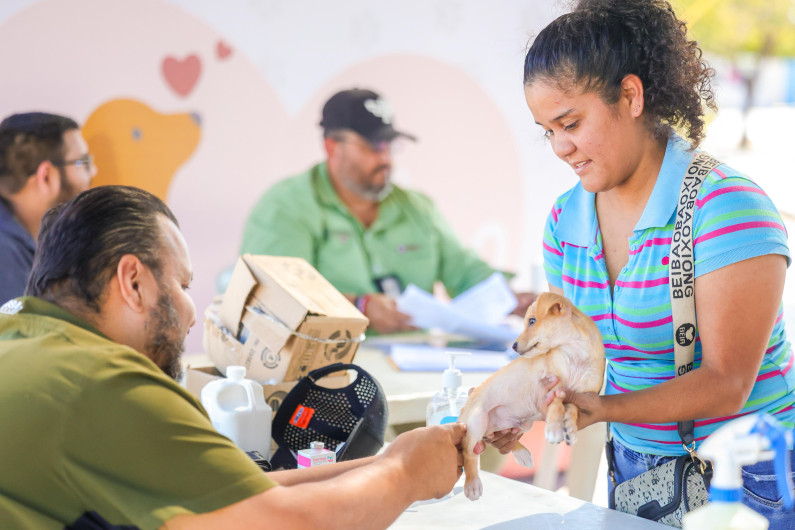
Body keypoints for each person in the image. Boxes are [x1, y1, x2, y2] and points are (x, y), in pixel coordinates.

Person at [0, 185, 468, 529]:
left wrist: (389, 458)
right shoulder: (102, 382)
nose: (190, 315)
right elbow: (279, 524)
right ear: (133, 281)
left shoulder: (28, 348)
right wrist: (405, 474)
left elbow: (235, 492)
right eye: (183, 286)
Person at [517, 0, 795, 527]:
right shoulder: (564, 224)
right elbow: (584, 356)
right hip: (635, 468)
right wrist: (528, 399)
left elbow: (726, 382)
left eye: (570, 122)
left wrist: (604, 410)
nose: (559, 146)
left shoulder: (727, 209)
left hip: (752, 479)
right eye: (546, 129)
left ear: (630, 95)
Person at [239, 88, 535, 334]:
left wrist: (509, 298)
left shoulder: (417, 208)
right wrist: (358, 307)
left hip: (415, 365)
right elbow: (269, 297)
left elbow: (463, 270)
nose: (385, 159)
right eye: (372, 145)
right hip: (324, 369)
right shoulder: (285, 207)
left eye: (389, 145)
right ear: (331, 147)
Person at [0, 112, 95, 304]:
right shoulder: (5, 257)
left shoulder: (19, 247)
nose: (93, 171)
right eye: (82, 162)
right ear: (46, 176)